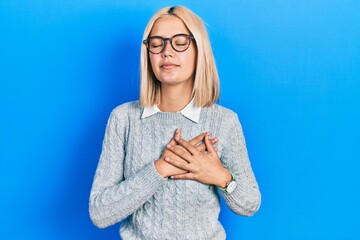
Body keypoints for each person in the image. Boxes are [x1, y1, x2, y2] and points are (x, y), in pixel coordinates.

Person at [89, 6, 261, 240]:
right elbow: (100, 213)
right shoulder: (123, 118)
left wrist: (219, 176)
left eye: (180, 42)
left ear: (199, 50)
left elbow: (249, 204)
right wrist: (161, 168)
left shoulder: (224, 121)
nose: (166, 52)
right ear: (148, 53)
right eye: (157, 43)